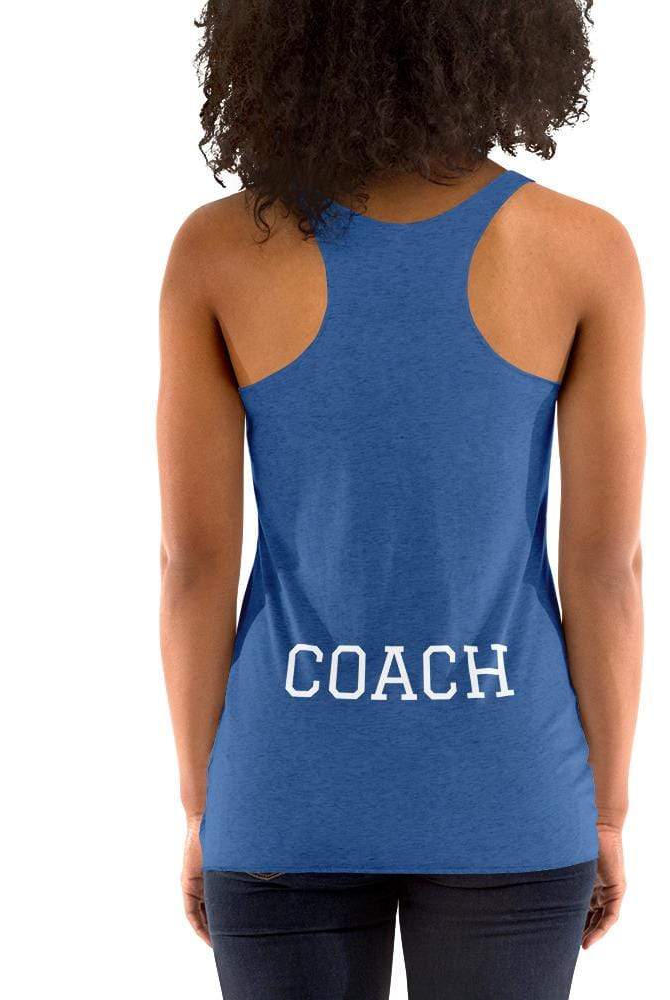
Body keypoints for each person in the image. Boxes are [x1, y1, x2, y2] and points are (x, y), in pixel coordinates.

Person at [157, 2, 644, 997]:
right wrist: (607, 813)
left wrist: (208, 807)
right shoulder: (582, 249)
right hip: (510, 791)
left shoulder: (219, 250)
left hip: (283, 793)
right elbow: (605, 570)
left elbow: (193, 568)